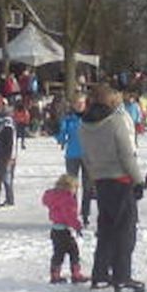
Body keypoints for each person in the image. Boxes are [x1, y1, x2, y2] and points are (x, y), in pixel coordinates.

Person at [80, 84, 145, 292]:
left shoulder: (84, 124)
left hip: (101, 180)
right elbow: (126, 154)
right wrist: (138, 180)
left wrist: (93, 177)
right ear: (109, 100)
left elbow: (86, 156)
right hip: (121, 179)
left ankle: (100, 274)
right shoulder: (115, 122)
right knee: (125, 230)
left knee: (106, 229)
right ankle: (122, 278)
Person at [41, 174, 88, 284]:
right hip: (64, 231)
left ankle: (55, 275)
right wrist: (78, 226)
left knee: (58, 253)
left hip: (55, 230)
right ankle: (76, 274)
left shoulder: (54, 196)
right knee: (73, 251)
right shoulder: (67, 199)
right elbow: (70, 216)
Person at [56, 95, 93, 225]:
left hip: (88, 156)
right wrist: (60, 133)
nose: (79, 105)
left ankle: (85, 214)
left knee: (88, 186)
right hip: (72, 155)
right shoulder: (68, 119)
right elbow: (61, 137)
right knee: (71, 187)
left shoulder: (90, 118)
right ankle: (72, 213)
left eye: (81, 103)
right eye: (76, 103)